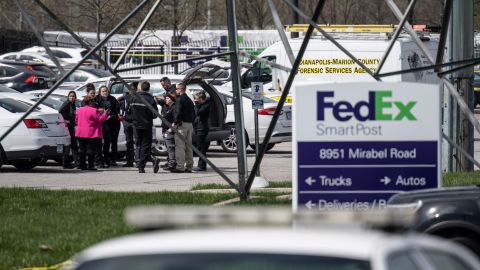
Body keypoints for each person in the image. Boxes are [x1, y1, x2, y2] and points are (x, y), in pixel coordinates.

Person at [130, 81, 159, 173]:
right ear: (149, 89)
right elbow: (155, 114)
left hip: (136, 125)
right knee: (145, 146)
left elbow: (129, 111)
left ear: (140, 88)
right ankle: (142, 165)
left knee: (139, 145)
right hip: (146, 125)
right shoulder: (150, 99)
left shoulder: (133, 98)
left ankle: (149, 161)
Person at [75, 96, 108, 170]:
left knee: (82, 150)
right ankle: (90, 165)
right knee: (91, 150)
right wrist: (105, 114)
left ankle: (82, 165)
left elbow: (76, 121)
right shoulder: (94, 110)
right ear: (90, 102)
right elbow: (100, 119)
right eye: (93, 102)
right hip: (91, 133)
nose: (94, 103)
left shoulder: (79, 110)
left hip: (80, 132)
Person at [172, 82, 194, 173]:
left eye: (177, 89)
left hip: (182, 125)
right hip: (189, 124)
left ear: (181, 89)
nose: (175, 91)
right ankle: (189, 166)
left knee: (180, 146)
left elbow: (178, 112)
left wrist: (175, 122)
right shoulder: (189, 99)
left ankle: (180, 167)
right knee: (189, 147)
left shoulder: (180, 99)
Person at [96, 86, 121, 167]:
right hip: (105, 123)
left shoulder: (113, 99)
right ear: (100, 92)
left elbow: (117, 110)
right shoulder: (97, 99)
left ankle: (113, 159)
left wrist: (111, 116)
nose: (105, 92)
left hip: (114, 122)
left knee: (114, 142)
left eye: (106, 91)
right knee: (107, 142)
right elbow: (95, 110)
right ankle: (106, 159)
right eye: (103, 91)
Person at [119, 82, 138, 167]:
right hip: (127, 121)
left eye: (133, 89)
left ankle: (138, 161)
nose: (131, 91)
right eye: (130, 89)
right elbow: (121, 109)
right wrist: (122, 118)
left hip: (135, 121)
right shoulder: (125, 98)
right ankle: (129, 161)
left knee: (137, 142)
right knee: (129, 142)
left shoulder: (138, 98)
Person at [58, 91, 78, 169]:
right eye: (70, 96)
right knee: (72, 145)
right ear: (68, 97)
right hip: (68, 127)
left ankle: (70, 163)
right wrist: (68, 118)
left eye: (73, 96)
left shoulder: (73, 105)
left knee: (72, 145)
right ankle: (70, 163)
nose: (72, 98)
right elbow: (60, 111)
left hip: (71, 126)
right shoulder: (67, 103)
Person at [193, 91, 210, 171]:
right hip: (198, 128)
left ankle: (202, 166)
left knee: (201, 148)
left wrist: (196, 105)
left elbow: (197, 113)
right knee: (200, 147)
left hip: (202, 129)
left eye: (196, 99)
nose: (195, 100)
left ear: (201, 99)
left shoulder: (206, 106)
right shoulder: (201, 105)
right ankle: (202, 165)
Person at [160, 93, 177, 172]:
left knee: (171, 148)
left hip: (169, 131)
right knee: (168, 148)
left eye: (167, 98)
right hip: (164, 130)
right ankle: (169, 162)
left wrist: (171, 129)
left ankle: (172, 164)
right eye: (165, 98)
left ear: (171, 99)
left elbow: (175, 120)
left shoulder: (174, 108)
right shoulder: (166, 107)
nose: (166, 100)